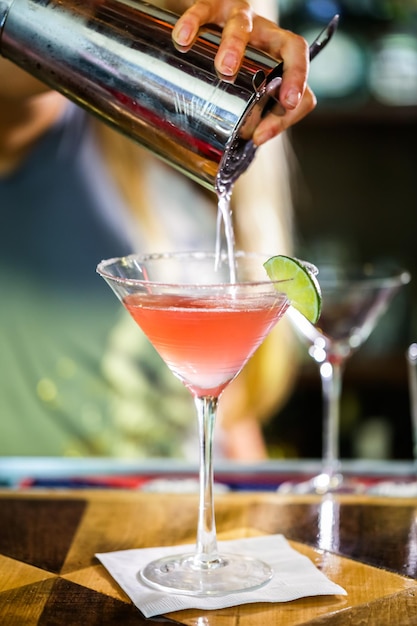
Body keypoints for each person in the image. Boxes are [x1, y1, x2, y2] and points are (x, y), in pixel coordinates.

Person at [0, 0, 315, 460]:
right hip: (70, 515)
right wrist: (129, 19)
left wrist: (260, 520)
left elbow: (229, 421)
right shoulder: (60, 114)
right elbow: (16, 45)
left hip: (187, 510)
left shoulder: (233, 192)